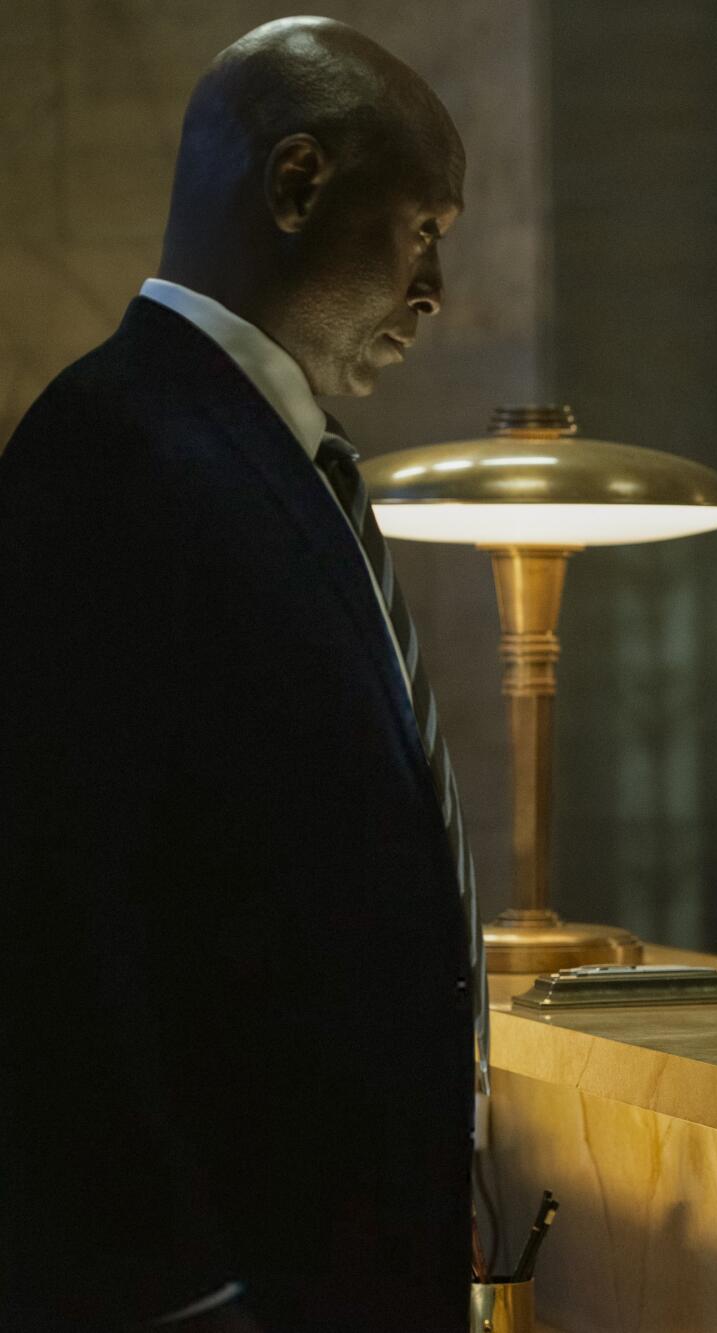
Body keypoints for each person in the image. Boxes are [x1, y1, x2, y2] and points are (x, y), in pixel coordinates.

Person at [0, 19, 475, 1330]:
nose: (437, 289)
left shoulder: (271, 463)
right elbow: (43, 921)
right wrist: (173, 1295)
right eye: (425, 227)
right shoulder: (113, 453)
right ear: (299, 185)